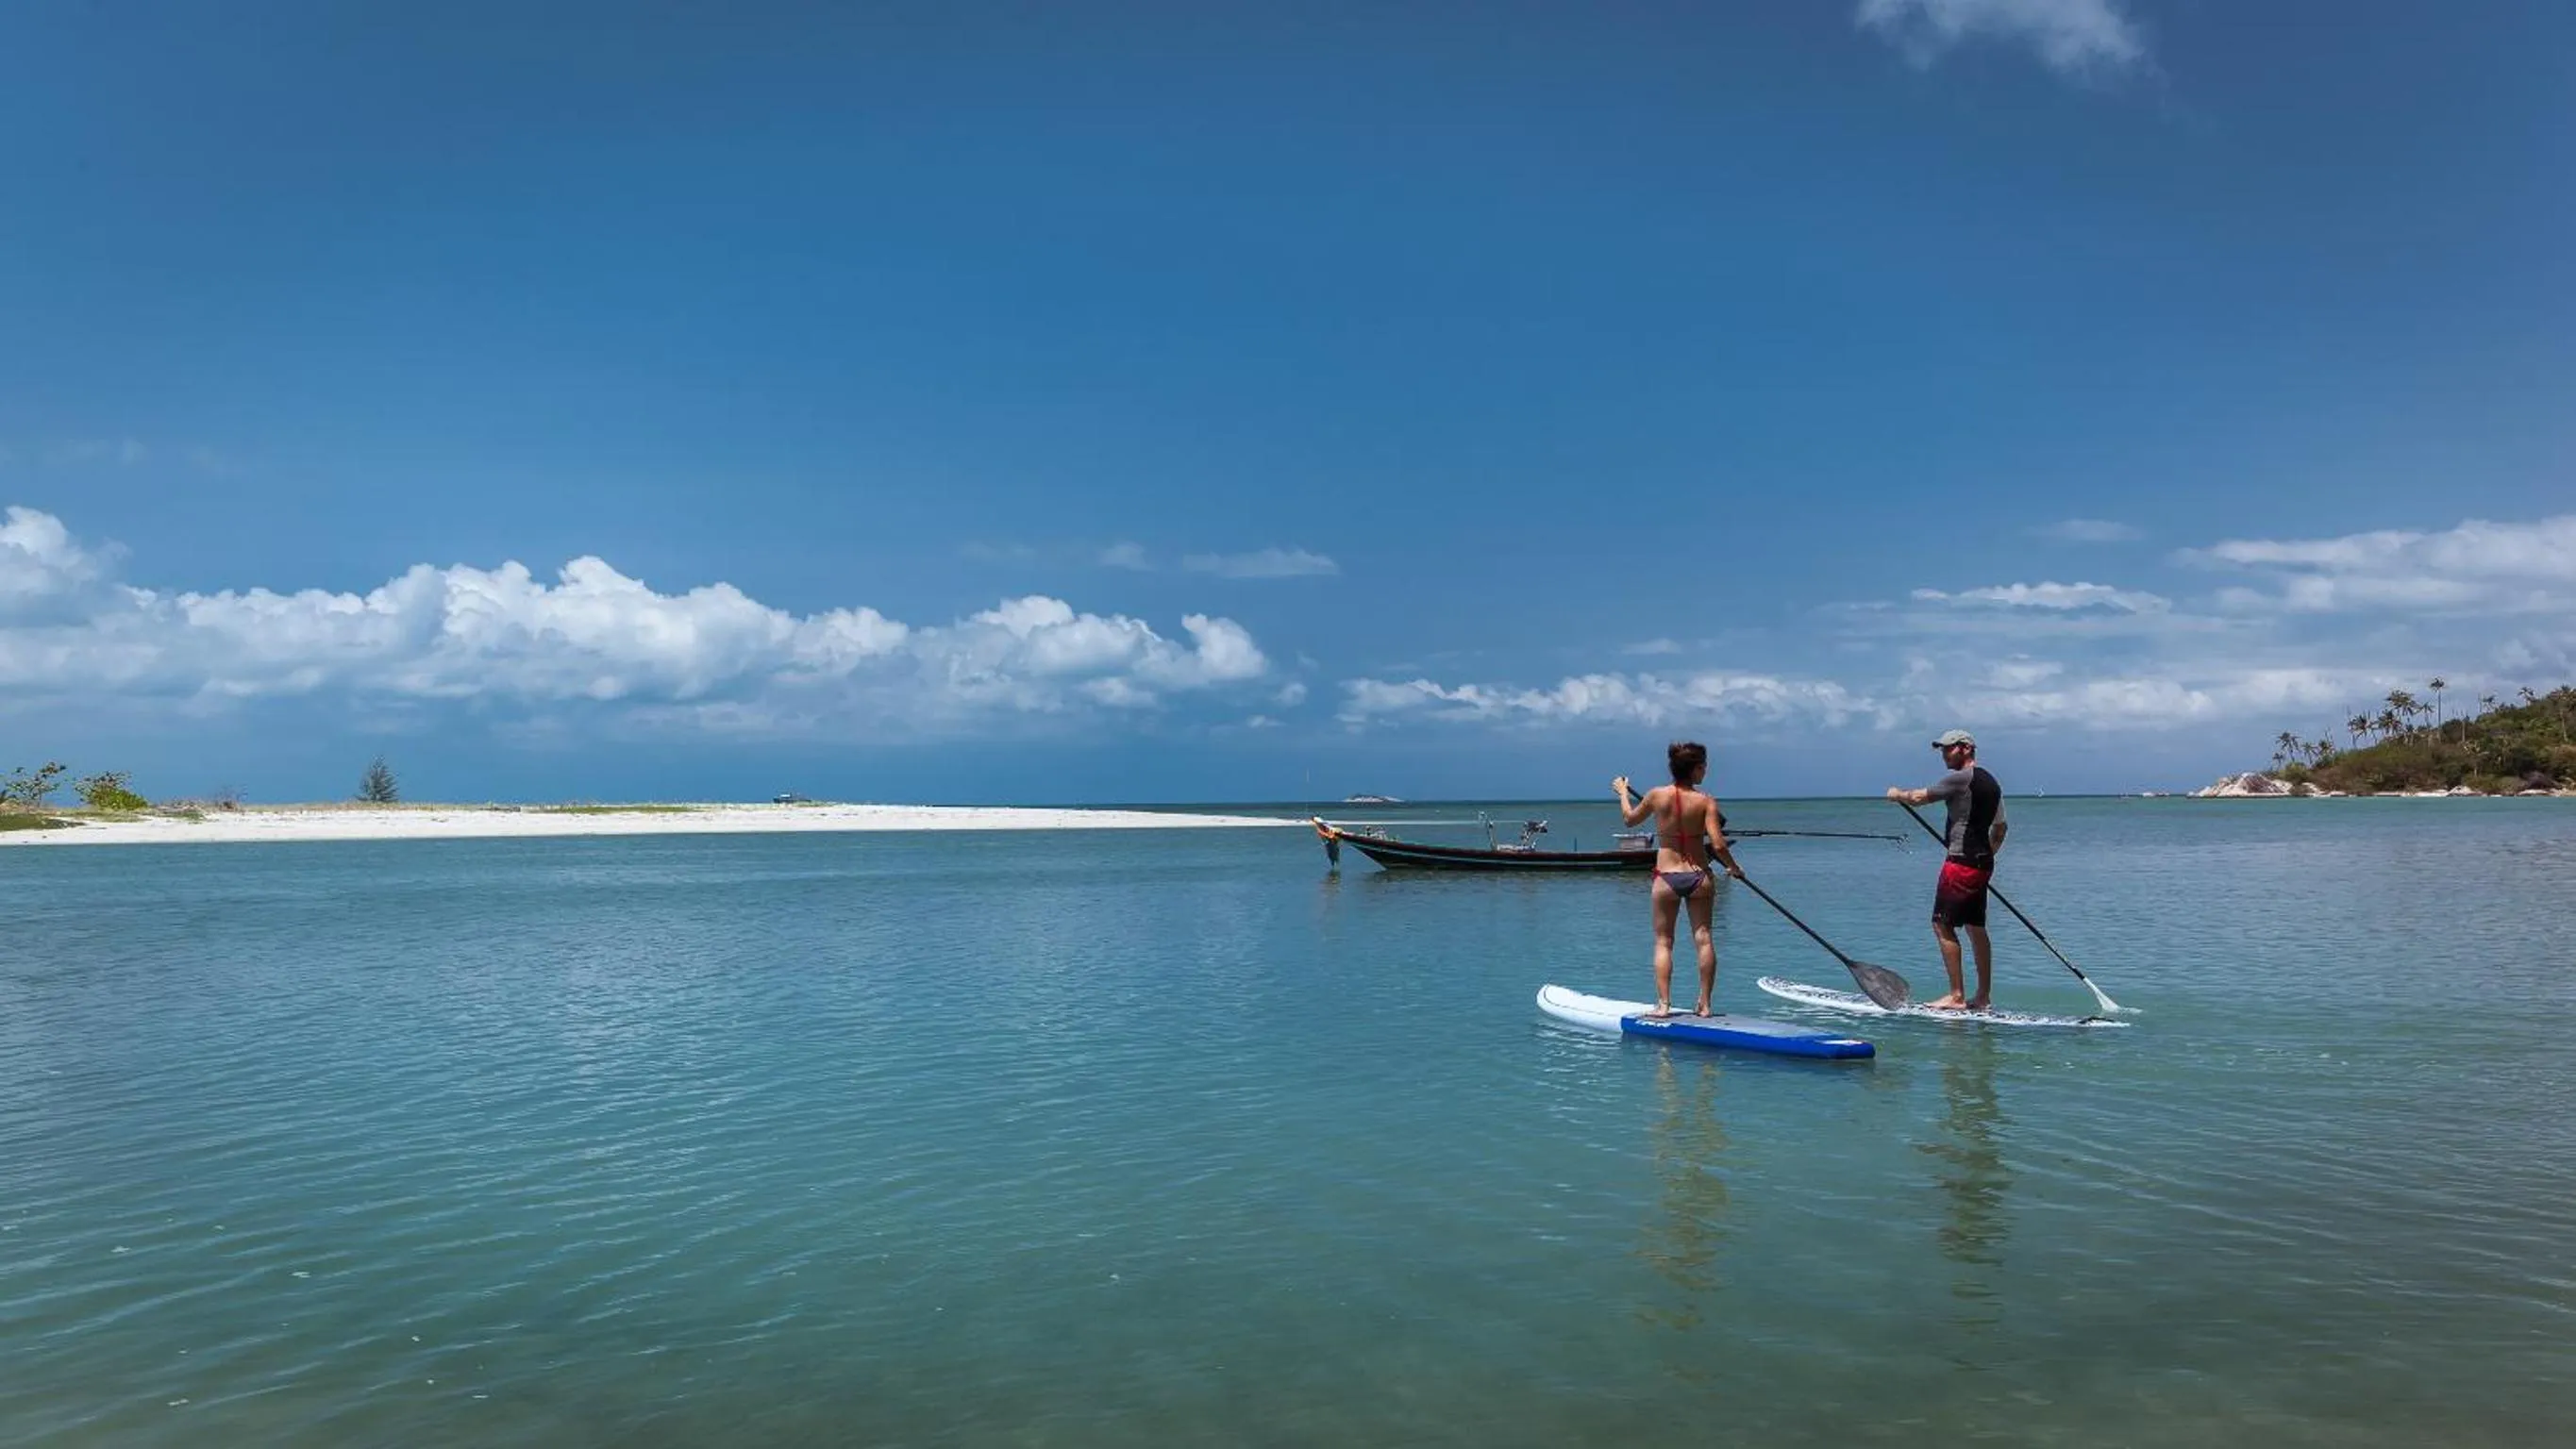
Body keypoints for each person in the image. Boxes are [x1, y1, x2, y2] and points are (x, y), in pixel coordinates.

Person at [1614, 741, 1746, 1018]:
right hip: (1699, 876)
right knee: (1704, 938)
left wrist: (1623, 793)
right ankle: (1706, 1005)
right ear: (1694, 769)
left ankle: (1663, 1005)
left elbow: (1629, 819)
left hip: (1666, 879)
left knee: (1664, 941)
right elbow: (1719, 846)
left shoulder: (1655, 796)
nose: (1706, 771)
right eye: (1703, 766)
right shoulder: (1705, 801)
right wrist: (1734, 868)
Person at [1885, 729, 2008, 1011]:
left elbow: (1918, 797)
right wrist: (1984, 861)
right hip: (1981, 863)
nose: (1944, 754)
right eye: (1942, 749)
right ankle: (1983, 997)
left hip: (1960, 863)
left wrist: (1896, 795)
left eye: (1948, 749)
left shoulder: (1959, 778)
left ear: (1966, 748)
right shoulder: (1991, 783)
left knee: (1942, 924)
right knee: (1976, 928)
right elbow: (2000, 829)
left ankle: (1956, 995)